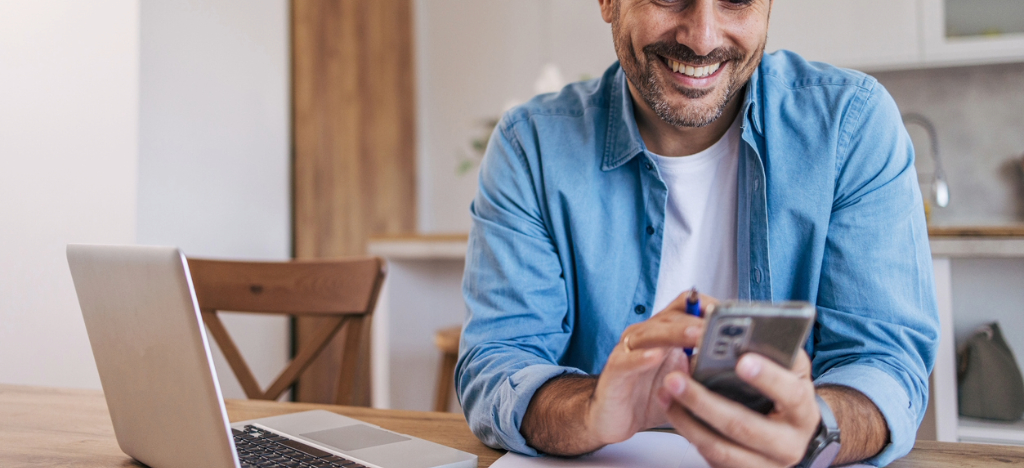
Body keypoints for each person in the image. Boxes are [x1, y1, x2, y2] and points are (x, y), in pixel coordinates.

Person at [456, 0, 939, 467]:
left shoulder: (850, 127)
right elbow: (498, 362)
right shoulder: (531, 146)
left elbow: (886, 363)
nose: (703, 37)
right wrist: (591, 408)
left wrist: (816, 431)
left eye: (737, 0)